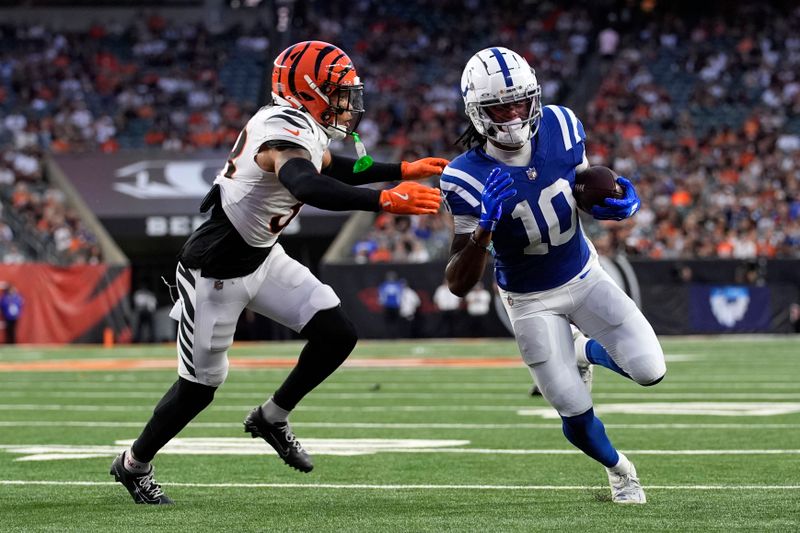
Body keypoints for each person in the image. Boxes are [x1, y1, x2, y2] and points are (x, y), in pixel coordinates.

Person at [110, 40, 446, 505]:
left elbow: (332, 166)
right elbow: (307, 182)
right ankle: (133, 463)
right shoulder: (280, 129)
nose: (348, 103)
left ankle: (271, 416)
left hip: (263, 256)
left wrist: (402, 168)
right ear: (308, 90)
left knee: (337, 333)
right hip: (215, 271)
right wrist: (385, 199)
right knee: (199, 387)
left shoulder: (302, 125)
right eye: (338, 91)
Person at [441, 47, 666, 504]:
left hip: (583, 275)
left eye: (519, 102)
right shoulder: (462, 176)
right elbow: (458, 283)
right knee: (571, 406)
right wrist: (485, 226)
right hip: (529, 300)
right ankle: (620, 471)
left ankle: (583, 350)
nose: (511, 115)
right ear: (476, 112)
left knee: (650, 370)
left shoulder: (562, 125)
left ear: (534, 99)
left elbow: (583, 184)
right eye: (498, 107)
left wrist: (616, 199)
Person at [378, 271, 404, 338]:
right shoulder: (397, 285)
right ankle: (392, 336)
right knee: (392, 323)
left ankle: (391, 336)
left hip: (390, 306)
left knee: (391, 323)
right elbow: (400, 296)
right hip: (392, 306)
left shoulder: (384, 285)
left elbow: (381, 297)